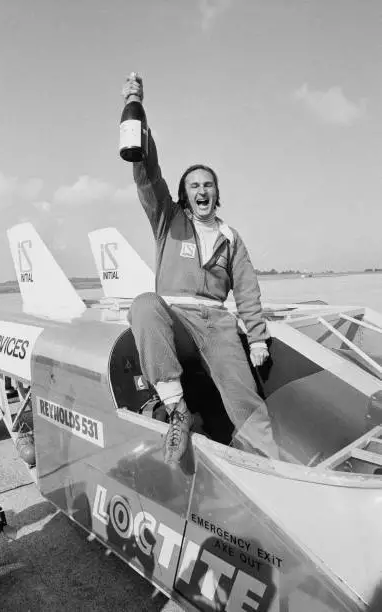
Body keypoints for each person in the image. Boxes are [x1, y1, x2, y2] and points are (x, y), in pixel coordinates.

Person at [122, 73, 279, 465]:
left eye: (208, 184)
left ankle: (266, 464)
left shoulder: (231, 236)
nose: (202, 190)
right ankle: (178, 412)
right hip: (176, 318)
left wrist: (257, 338)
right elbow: (147, 174)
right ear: (184, 193)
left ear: (217, 192)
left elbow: (246, 289)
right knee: (143, 305)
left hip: (217, 323)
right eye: (194, 185)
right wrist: (134, 106)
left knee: (245, 399)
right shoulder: (168, 220)